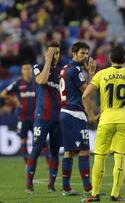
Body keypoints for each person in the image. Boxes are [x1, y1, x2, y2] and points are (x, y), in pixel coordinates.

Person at [82, 45, 125, 202]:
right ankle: (115, 194)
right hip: (124, 119)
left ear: (110, 59)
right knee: (120, 158)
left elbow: (85, 96)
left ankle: (95, 194)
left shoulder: (101, 74)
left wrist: (92, 115)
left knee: (100, 157)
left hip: (106, 118)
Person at [59, 42, 97, 196]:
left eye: (87, 53)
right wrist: (93, 73)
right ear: (73, 53)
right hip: (74, 113)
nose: (86, 56)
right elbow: (88, 91)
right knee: (84, 150)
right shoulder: (75, 69)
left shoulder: (66, 68)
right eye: (82, 53)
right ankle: (89, 188)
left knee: (69, 151)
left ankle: (66, 187)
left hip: (65, 112)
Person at [25, 41, 63, 194]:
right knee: (36, 148)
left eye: (57, 53)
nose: (55, 56)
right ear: (46, 54)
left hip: (58, 119)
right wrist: (48, 61)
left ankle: (51, 185)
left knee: (54, 151)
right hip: (42, 117)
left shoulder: (61, 73)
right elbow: (41, 81)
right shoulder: (38, 67)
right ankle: (29, 184)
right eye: (52, 52)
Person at [0, 63, 49, 165]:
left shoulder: (37, 82)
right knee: (23, 140)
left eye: (28, 68)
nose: (27, 70)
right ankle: (27, 164)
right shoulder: (18, 83)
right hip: (22, 117)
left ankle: (49, 164)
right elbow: (3, 94)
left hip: (36, 118)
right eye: (24, 69)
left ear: (31, 70)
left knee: (42, 141)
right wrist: (13, 100)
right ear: (21, 71)